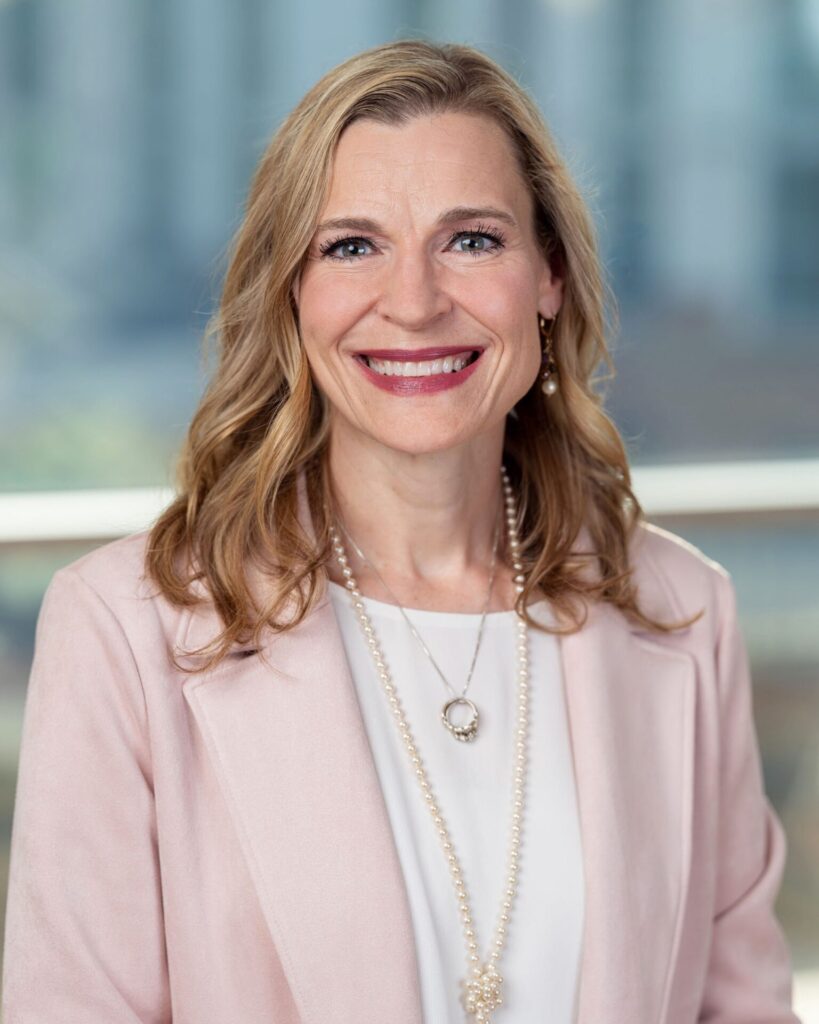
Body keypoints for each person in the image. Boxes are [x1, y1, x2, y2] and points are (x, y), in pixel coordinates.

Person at [2, 39, 799, 1024]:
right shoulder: (123, 632)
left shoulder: (685, 611)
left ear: (548, 274)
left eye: (471, 239)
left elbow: (743, 1007)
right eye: (352, 245)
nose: (415, 301)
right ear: (291, 294)